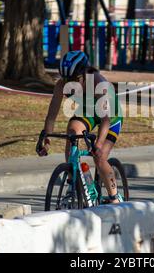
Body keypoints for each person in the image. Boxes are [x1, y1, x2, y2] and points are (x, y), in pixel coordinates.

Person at [36, 50, 124, 203]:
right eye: (67, 79)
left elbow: (105, 120)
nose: (71, 83)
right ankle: (74, 183)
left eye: (74, 79)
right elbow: (52, 114)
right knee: (72, 132)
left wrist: (98, 144)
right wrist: (46, 138)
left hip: (110, 116)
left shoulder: (98, 83)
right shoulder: (62, 84)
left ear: (84, 73)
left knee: (100, 157)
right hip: (88, 111)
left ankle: (114, 197)